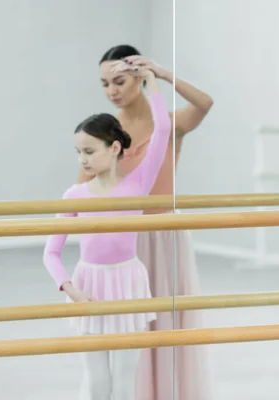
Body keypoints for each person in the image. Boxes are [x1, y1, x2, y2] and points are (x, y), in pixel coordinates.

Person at [83, 45, 214, 400]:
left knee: (166, 320)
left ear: (138, 79)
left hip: (166, 236)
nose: (112, 90)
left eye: (120, 81)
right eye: (104, 84)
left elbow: (205, 103)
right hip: (123, 239)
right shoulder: (104, 134)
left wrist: (163, 74)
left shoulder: (168, 124)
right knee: (128, 324)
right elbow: (83, 186)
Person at [43, 66, 170, 399]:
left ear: (113, 148)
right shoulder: (74, 195)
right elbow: (51, 251)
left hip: (128, 282)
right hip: (89, 284)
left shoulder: (138, 184)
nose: (82, 160)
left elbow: (164, 131)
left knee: (127, 379)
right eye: (79, 152)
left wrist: (152, 82)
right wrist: (70, 289)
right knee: (96, 378)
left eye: (89, 151)